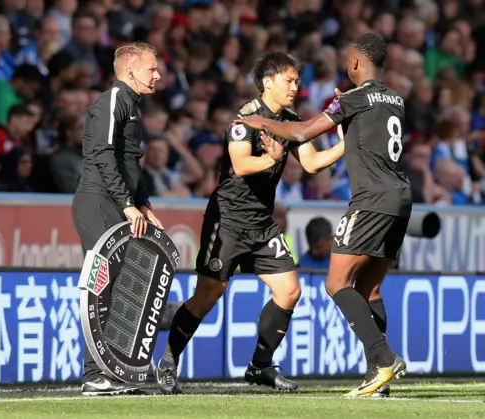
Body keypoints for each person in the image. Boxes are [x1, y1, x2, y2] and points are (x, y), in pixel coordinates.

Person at [154, 52, 345, 395]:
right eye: (289, 80)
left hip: (262, 224)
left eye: (297, 81)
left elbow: (313, 163)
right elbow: (240, 165)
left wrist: (344, 146)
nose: (294, 87)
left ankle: (260, 365)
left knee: (289, 291)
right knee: (208, 296)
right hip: (227, 220)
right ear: (268, 81)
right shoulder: (244, 119)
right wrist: (270, 157)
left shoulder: (289, 120)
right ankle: (168, 361)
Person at [234, 33, 411, 397]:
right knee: (370, 288)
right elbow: (364, 137)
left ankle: (383, 358)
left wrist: (262, 124)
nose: (347, 65)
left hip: (371, 201)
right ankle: (377, 381)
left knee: (336, 283)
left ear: (357, 64)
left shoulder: (355, 98)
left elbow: (301, 131)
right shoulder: (395, 99)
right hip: (401, 199)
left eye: (349, 60)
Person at [71, 41, 164, 396]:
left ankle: (115, 370)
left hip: (117, 203)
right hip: (98, 202)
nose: (157, 75)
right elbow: (103, 154)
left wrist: (144, 204)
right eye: (151, 68)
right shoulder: (112, 99)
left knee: (123, 287)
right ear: (129, 71)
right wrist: (127, 203)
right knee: (101, 286)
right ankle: (94, 373)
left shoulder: (131, 105)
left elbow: (129, 163)